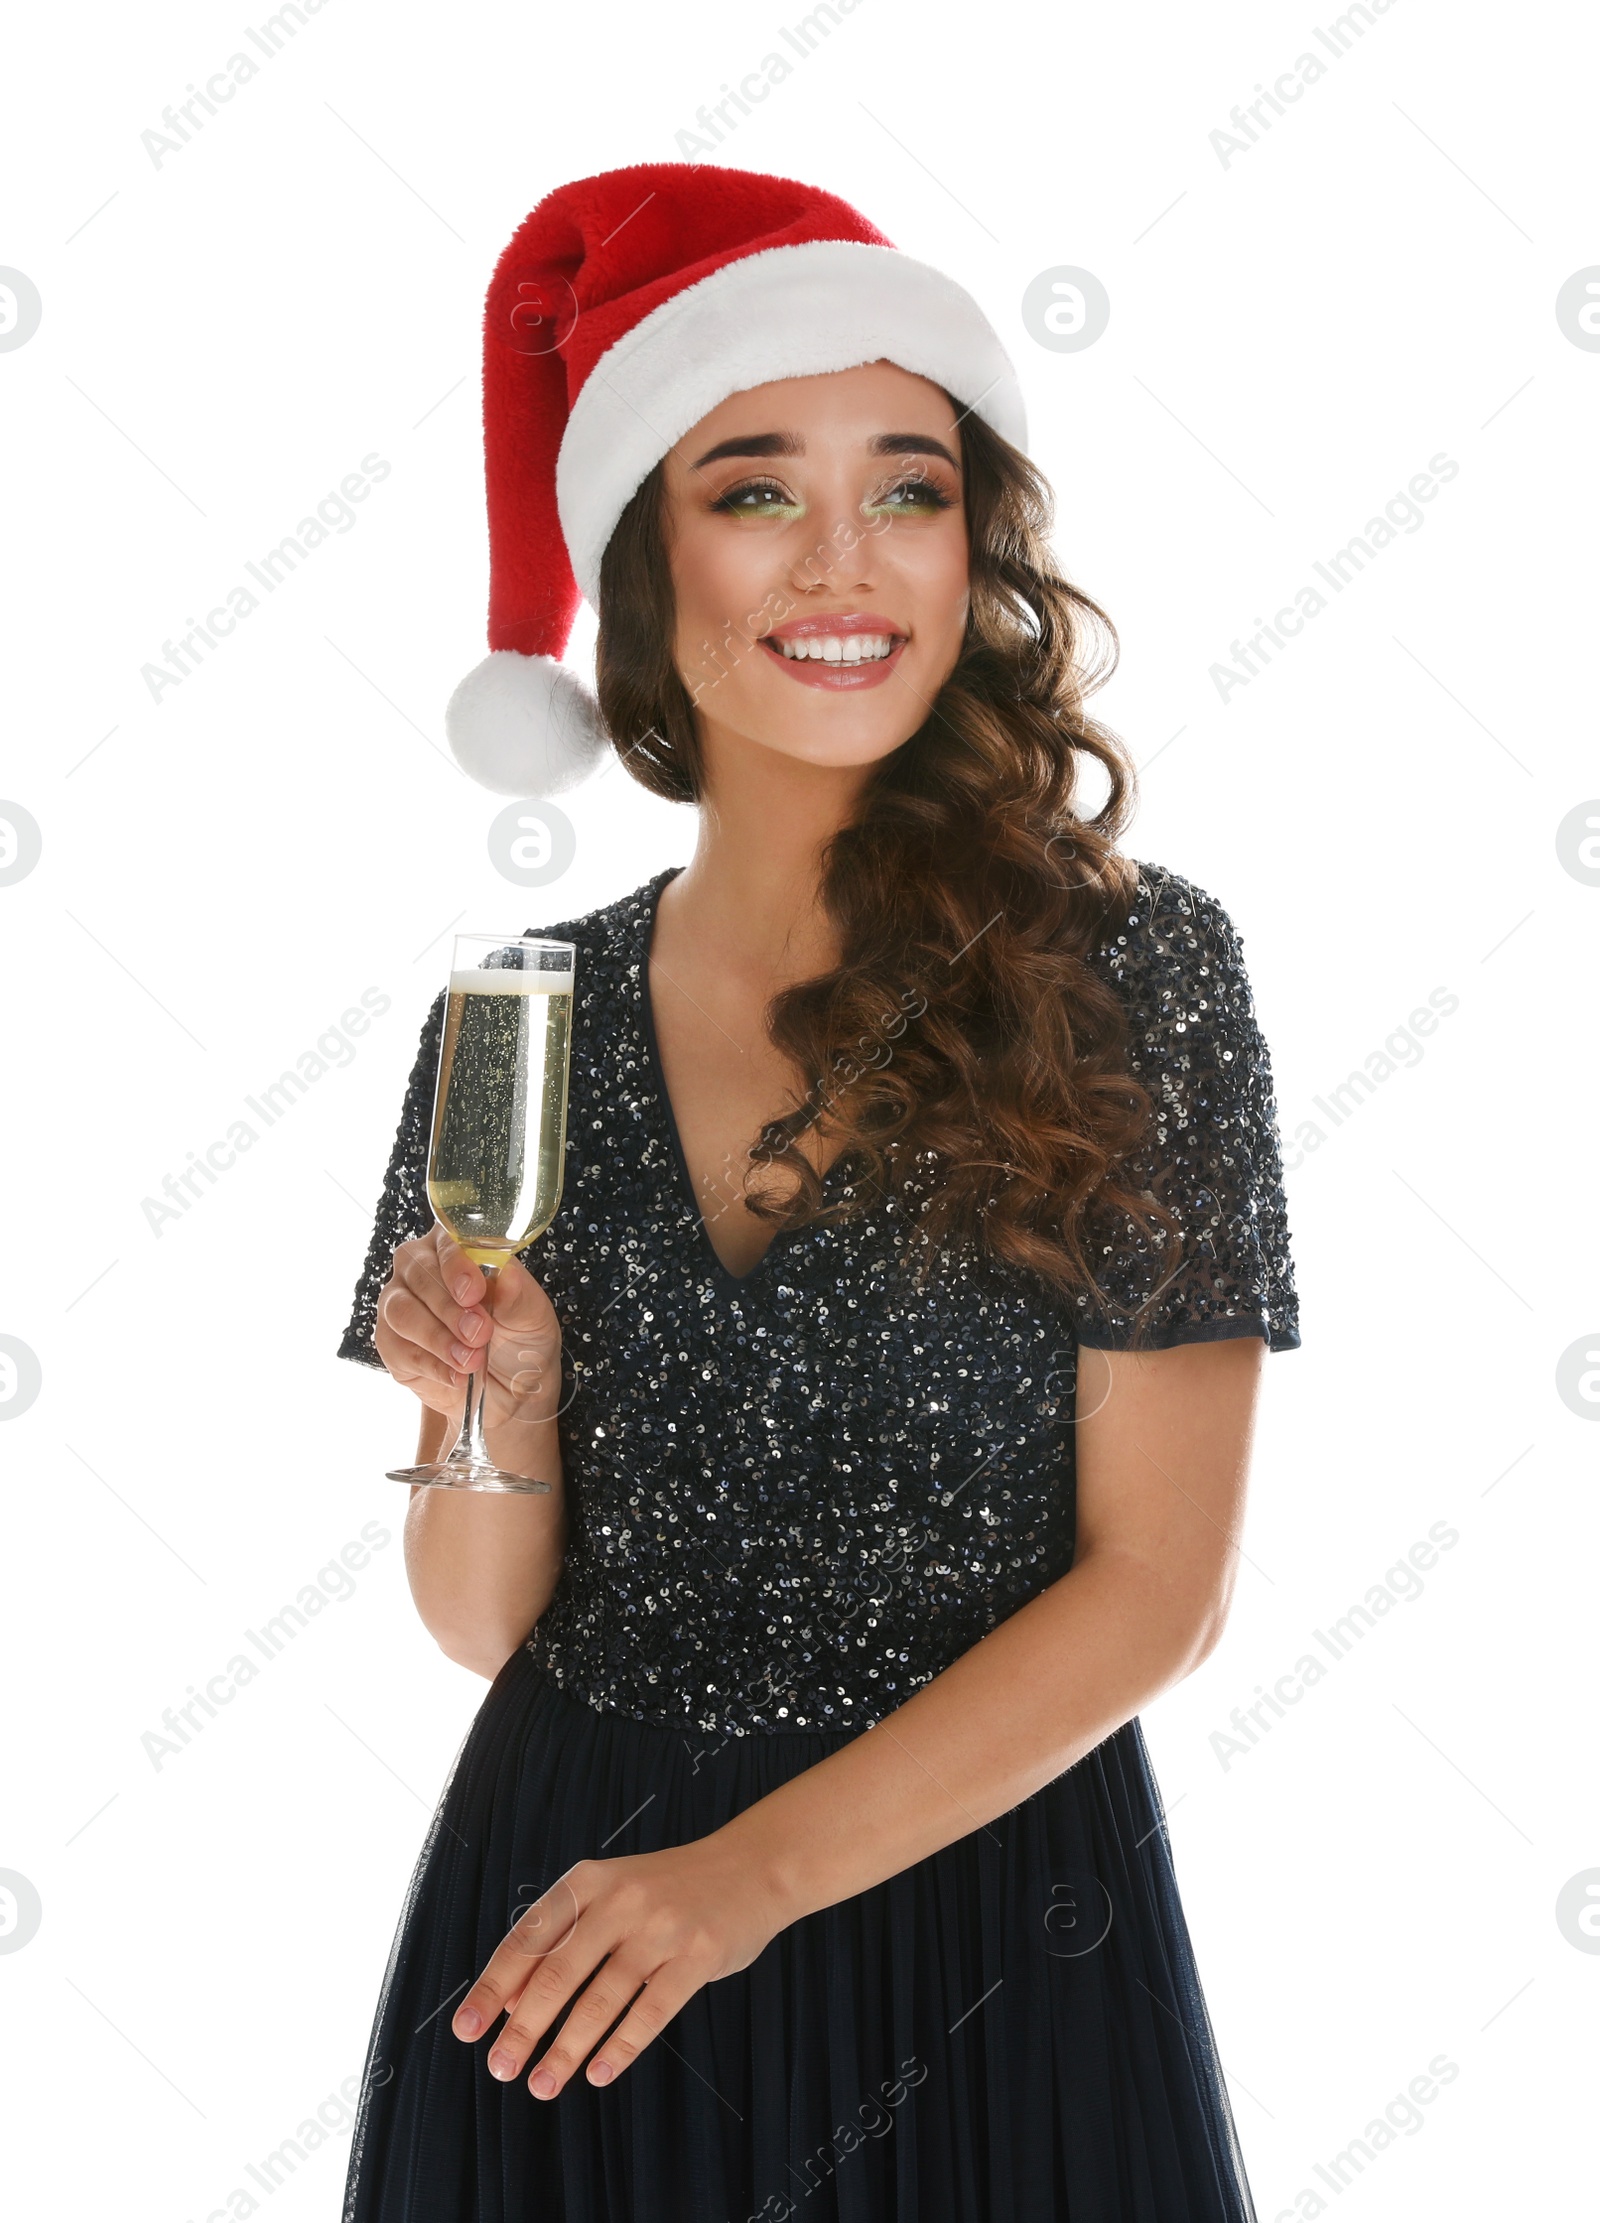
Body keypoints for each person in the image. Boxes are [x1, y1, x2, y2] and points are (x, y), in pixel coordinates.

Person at [335, 161, 1301, 2223]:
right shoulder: (522, 1014)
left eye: (912, 486)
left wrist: (742, 1884)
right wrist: (488, 1405)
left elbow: (1159, 1590)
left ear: (976, 549)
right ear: (642, 557)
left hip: (989, 1935)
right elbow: (477, 1615)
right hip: (569, 1945)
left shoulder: (1132, 973)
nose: (841, 558)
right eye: (755, 485)